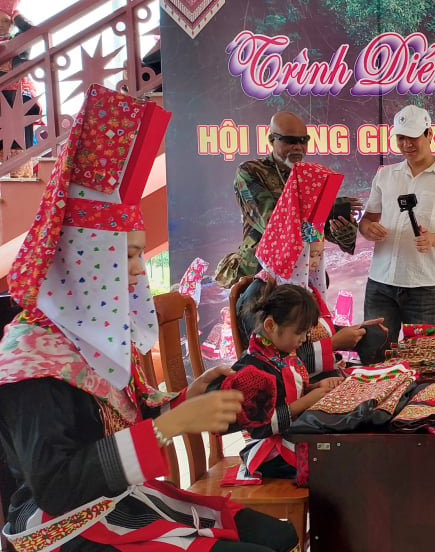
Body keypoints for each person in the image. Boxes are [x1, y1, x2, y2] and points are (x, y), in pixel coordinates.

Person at [0, 84, 298, 551]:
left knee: (277, 534)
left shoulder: (82, 334)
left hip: (114, 499)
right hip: (60, 526)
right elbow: (56, 486)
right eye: (130, 255)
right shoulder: (33, 358)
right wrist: (170, 425)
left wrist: (184, 402)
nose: (141, 271)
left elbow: (121, 423)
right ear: (86, 258)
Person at [235, 161, 384, 375]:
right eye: (309, 256)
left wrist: (358, 332)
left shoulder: (303, 286)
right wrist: (332, 344)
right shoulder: (258, 297)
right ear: (293, 251)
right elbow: (272, 365)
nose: (313, 264)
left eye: (318, 256)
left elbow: (311, 333)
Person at [358, 104, 435, 343]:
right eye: (401, 138)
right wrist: (367, 229)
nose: (407, 144)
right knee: (374, 355)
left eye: (413, 137)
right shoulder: (385, 175)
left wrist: (433, 239)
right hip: (380, 284)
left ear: (429, 134)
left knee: (421, 360)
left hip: (422, 287)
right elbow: (367, 220)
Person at [215, 111, 360, 287]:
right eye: (290, 141)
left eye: (303, 140)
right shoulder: (251, 171)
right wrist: (326, 206)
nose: (298, 146)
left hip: (304, 275)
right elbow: (273, 224)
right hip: (259, 275)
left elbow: (320, 234)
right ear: (271, 140)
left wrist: (343, 231)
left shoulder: (314, 177)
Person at [222, 284, 342, 481]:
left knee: (338, 448)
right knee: (331, 465)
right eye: (299, 333)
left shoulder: (280, 356)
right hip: (268, 452)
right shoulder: (252, 371)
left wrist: (314, 388)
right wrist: (307, 400)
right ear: (270, 326)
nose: (303, 339)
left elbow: (285, 393)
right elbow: (262, 426)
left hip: (287, 437)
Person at [0, 0, 41, 155]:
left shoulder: (18, 40)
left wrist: (17, 15)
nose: (1, 24)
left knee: (21, 142)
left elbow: (32, 31)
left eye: (6, 20)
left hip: (17, 93)